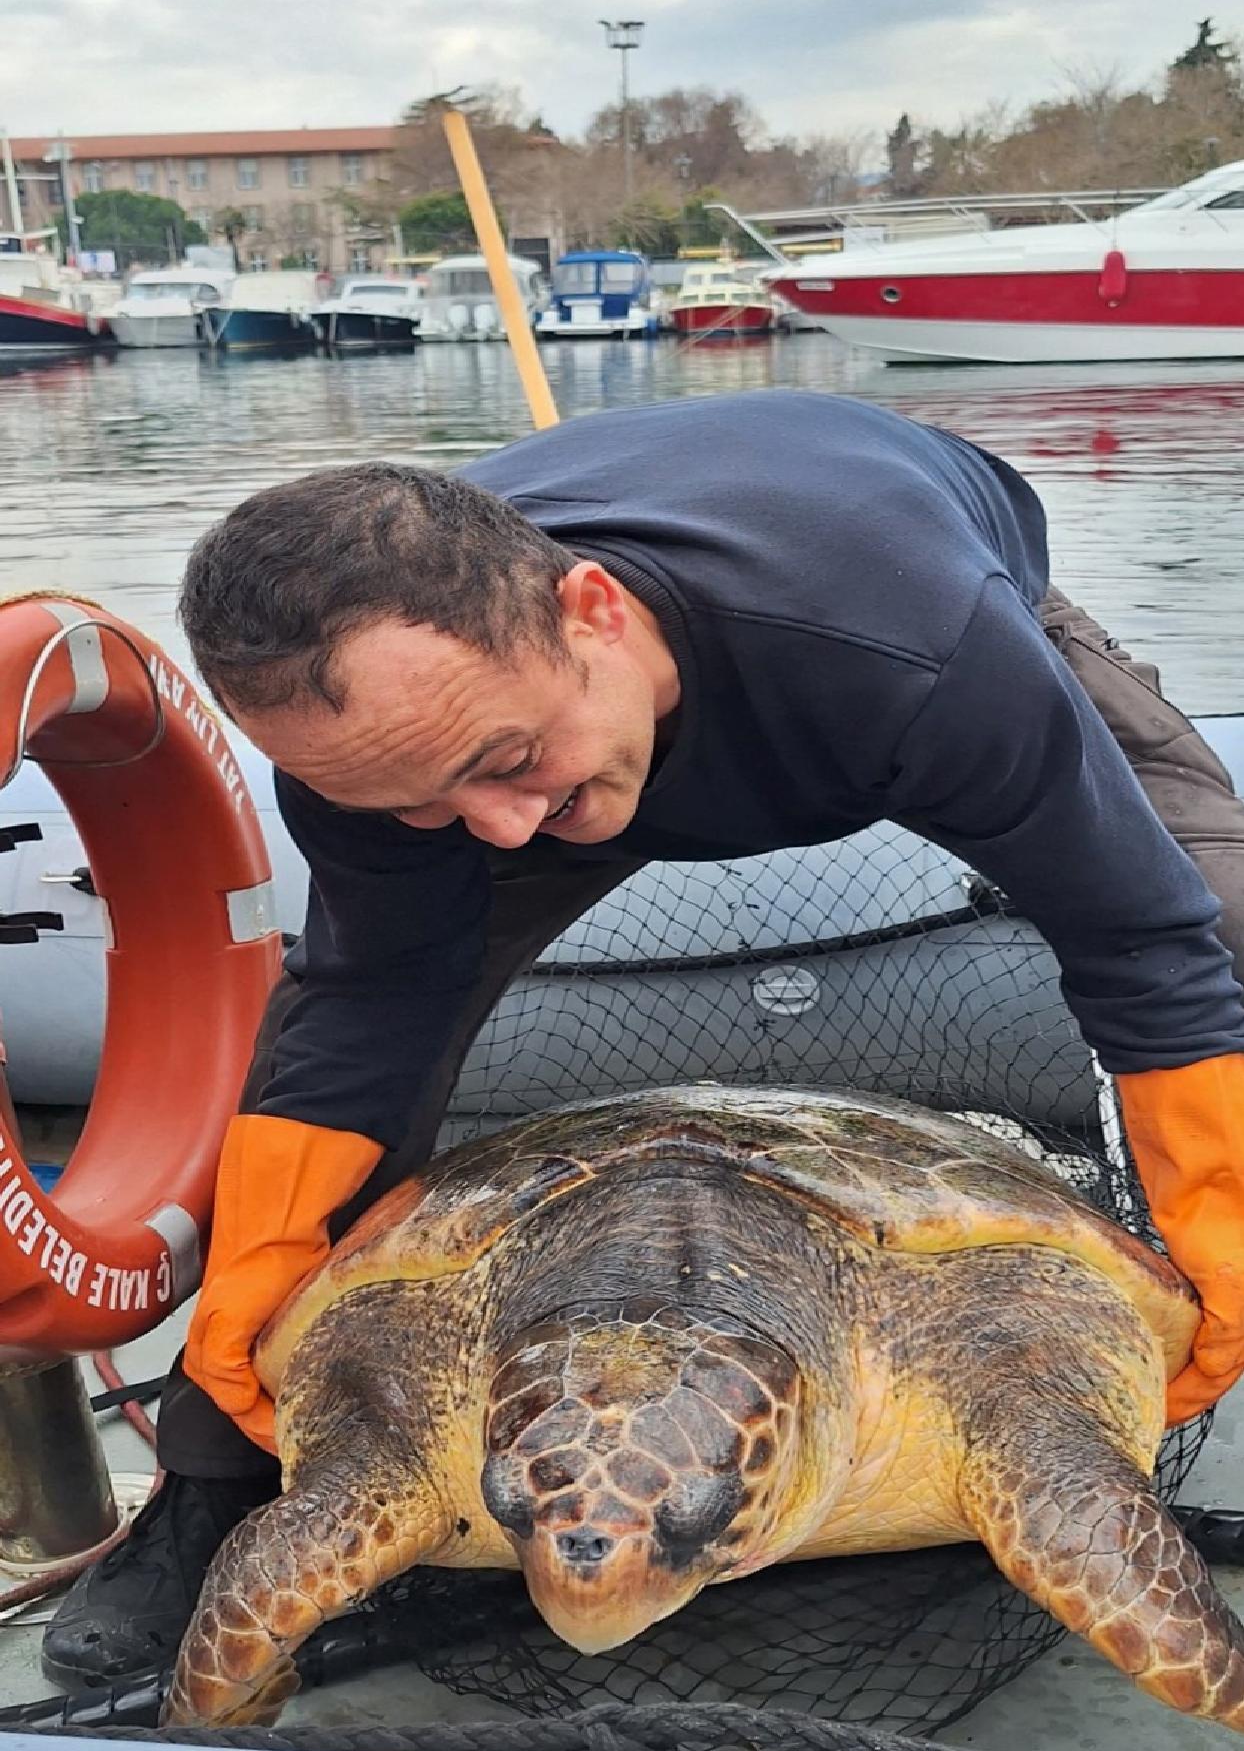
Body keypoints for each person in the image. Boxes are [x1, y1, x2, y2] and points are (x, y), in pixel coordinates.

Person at [42, 388, 1244, 1686]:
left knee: (1220, 913)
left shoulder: (918, 658)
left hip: (892, 606)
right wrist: (243, 1325)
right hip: (583, 680)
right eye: (419, 803)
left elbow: (1147, 943)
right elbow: (366, 1017)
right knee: (327, 1030)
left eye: (504, 759)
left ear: (594, 614)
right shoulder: (395, 754)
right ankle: (208, 1490)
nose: (499, 833)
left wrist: (1219, 1237)